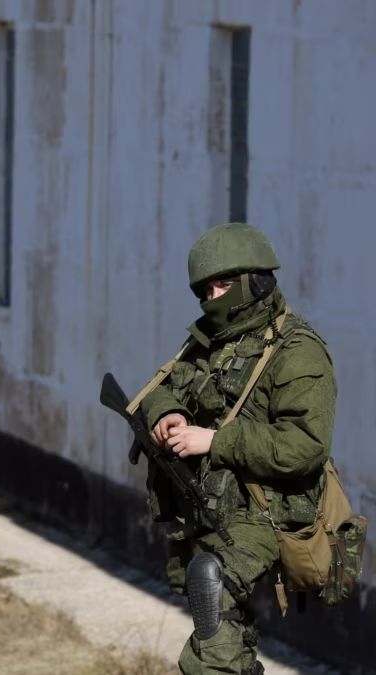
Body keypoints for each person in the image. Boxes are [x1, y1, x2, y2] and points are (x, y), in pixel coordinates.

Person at [135, 223, 337, 674]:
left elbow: (305, 446)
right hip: (212, 501)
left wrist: (214, 440)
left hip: (270, 508)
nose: (214, 296)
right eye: (206, 289)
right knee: (225, 621)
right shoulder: (211, 340)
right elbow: (161, 386)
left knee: (214, 582)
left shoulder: (297, 352)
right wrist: (168, 413)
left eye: (224, 284)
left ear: (257, 281)